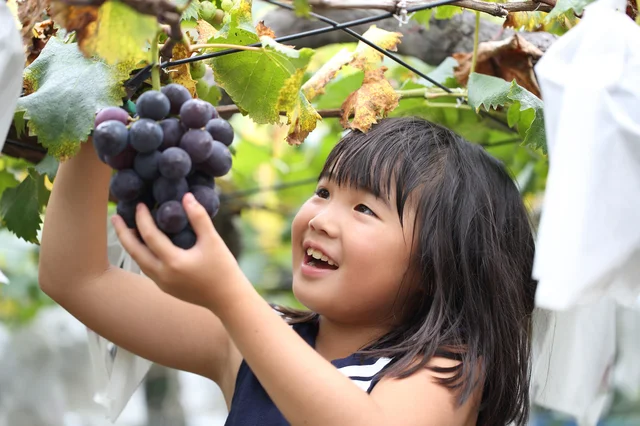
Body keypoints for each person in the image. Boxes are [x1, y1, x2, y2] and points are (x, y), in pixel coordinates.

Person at [39, 117, 537, 426]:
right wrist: (96, 127)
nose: (320, 217)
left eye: (364, 209)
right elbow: (77, 278)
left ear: (440, 262)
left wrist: (230, 296)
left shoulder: (447, 367)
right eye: (323, 192)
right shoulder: (251, 342)